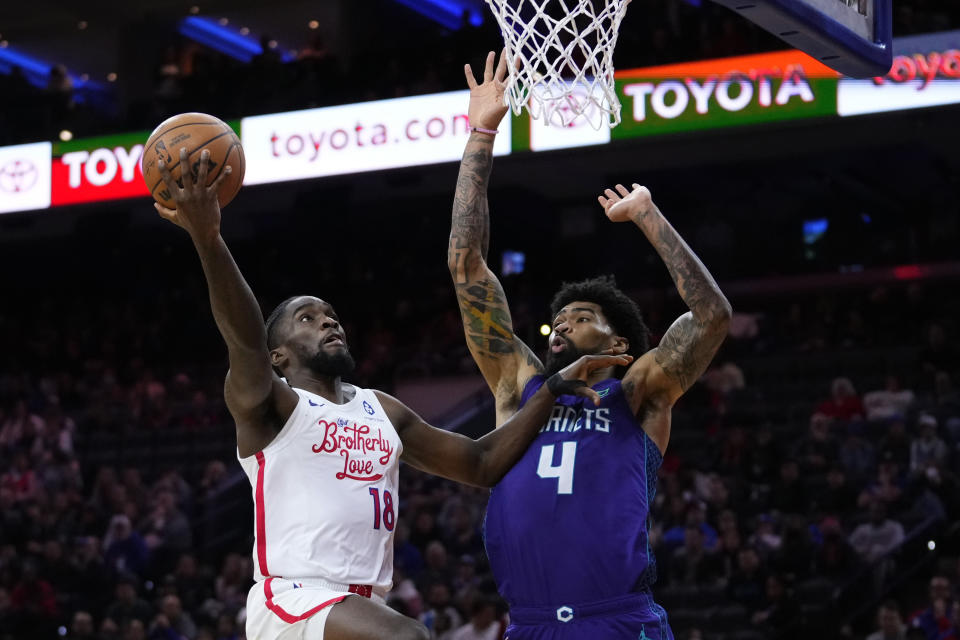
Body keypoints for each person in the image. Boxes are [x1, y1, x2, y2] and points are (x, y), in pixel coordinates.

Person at [153, 147, 630, 640]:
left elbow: (482, 463)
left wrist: (550, 390)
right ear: (278, 356)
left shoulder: (380, 408)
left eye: (330, 314)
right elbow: (245, 339)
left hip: (359, 604)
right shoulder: (272, 406)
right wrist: (209, 240)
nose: (328, 321)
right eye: (307, 319)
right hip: (295, 599)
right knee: (412, 638)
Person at [447, 51, 731, 639]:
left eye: (583, 315)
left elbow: (711, 317)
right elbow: (466, 266)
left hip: (619, 622)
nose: (567, 322)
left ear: (620, 341)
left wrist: (650, 217)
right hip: (528, 625)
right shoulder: (519, 384)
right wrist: (480, 134)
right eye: (561, 319)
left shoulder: (640, 393)